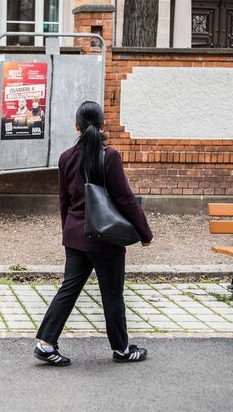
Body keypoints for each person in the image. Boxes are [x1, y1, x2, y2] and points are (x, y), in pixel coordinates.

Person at [33, 101, 153, 366]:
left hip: (76, 235)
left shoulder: (66, 157)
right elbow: (124, 198)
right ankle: (122, 349)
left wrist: (68, 232)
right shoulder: (109, 156)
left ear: (77, 126)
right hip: (105, 238)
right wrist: (144, 233)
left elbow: (64, 201)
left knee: (68, 289)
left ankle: (46, 344)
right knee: (112, 294)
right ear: (102, 125)